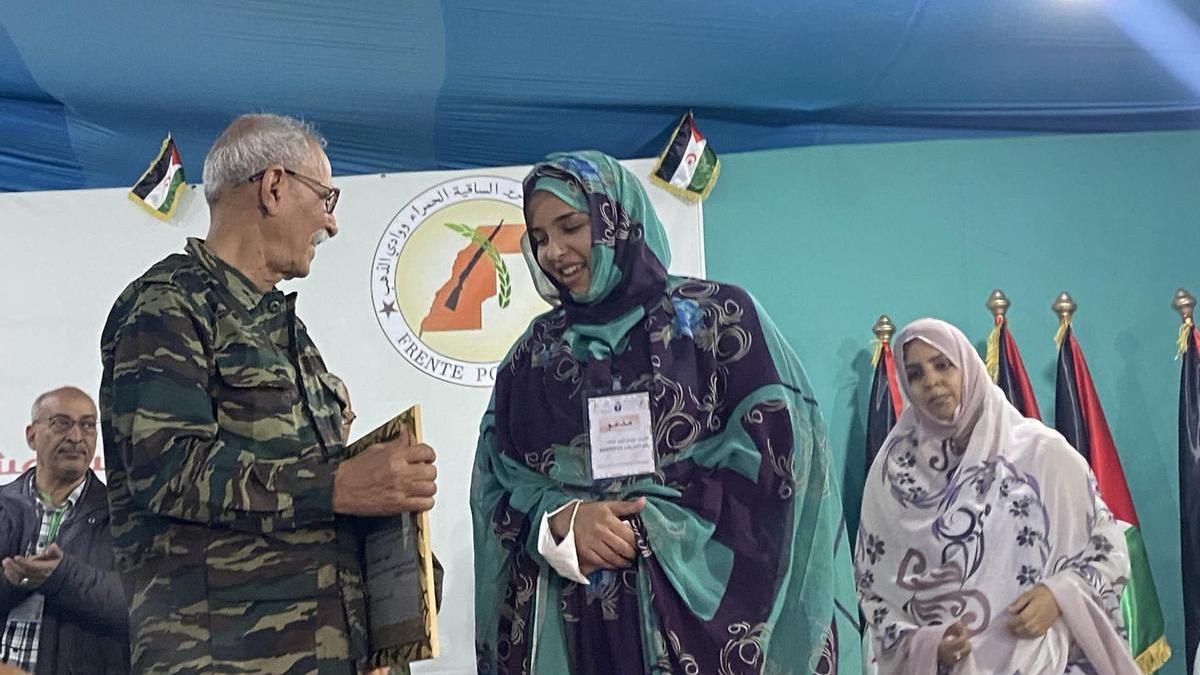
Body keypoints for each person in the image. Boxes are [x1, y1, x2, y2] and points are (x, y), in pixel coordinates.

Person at [471, 151, 859, 674]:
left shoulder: (718, 321)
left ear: (616, 219)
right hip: (576, 632)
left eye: (571, 226)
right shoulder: (533, 358)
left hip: (701, 636)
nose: (555, 252)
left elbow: (781, 460)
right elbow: (498, 480)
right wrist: (561, 523)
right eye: (539, 238)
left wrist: (655, 525)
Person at [100, 113, 438, 674]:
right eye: (327, 198)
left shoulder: (286, 331)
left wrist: (385, 628)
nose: (331, 226)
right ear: (274, 186)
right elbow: (165, 471)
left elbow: (324, 506)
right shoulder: (168, 306)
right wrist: (336, 484)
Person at [855, 318, 1139, 674]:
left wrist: (1058, 596)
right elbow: (875, 594)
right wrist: (926, 644)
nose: (931, 381)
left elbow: (1109, 552)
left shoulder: (1043, 455)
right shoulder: (893, 474)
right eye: (915, 373)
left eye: (942, 364)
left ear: (969, 366)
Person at [0, 387, 127, 674]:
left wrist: (61, 577)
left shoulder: (122, 517)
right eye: (61, 423)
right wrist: (10, 581)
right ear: (31, 435)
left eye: (87, 425)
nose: (75, 437)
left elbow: (140, 606)